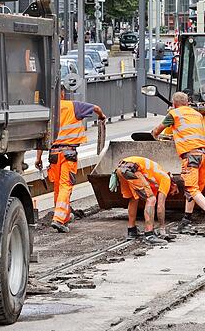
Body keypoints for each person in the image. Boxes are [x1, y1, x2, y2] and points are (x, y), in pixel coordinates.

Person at [151, 92, 205, 234]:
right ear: (187, 102)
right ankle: (186, 220)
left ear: (174, 104)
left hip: (191, 156)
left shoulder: (174, 114)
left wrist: (154, 135)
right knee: (193, 190)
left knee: (191, 189)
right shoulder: (197, 114)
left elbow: (157, 130)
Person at [35, 87, 107, 233]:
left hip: (53, 155)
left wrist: (38, 158)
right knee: (65, 186)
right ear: (62, 93)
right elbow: (97, 108)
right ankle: (59, 219)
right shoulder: (73, 106)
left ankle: (64, 215)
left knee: (58, 187)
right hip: (68, 155)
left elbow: (42, 136)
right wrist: (101, 116)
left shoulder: (48, 110)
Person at [111, 157, 181, 245]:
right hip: (132, 169)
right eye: (175, 191)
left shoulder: (155, 178)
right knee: (151, 199)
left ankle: (132, 231)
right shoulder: (166, 179)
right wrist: (162, 228)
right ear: (174, 184)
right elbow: (160, 207)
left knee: (134, 198)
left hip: (121, 168)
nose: (172, 194)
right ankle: (149, 234)